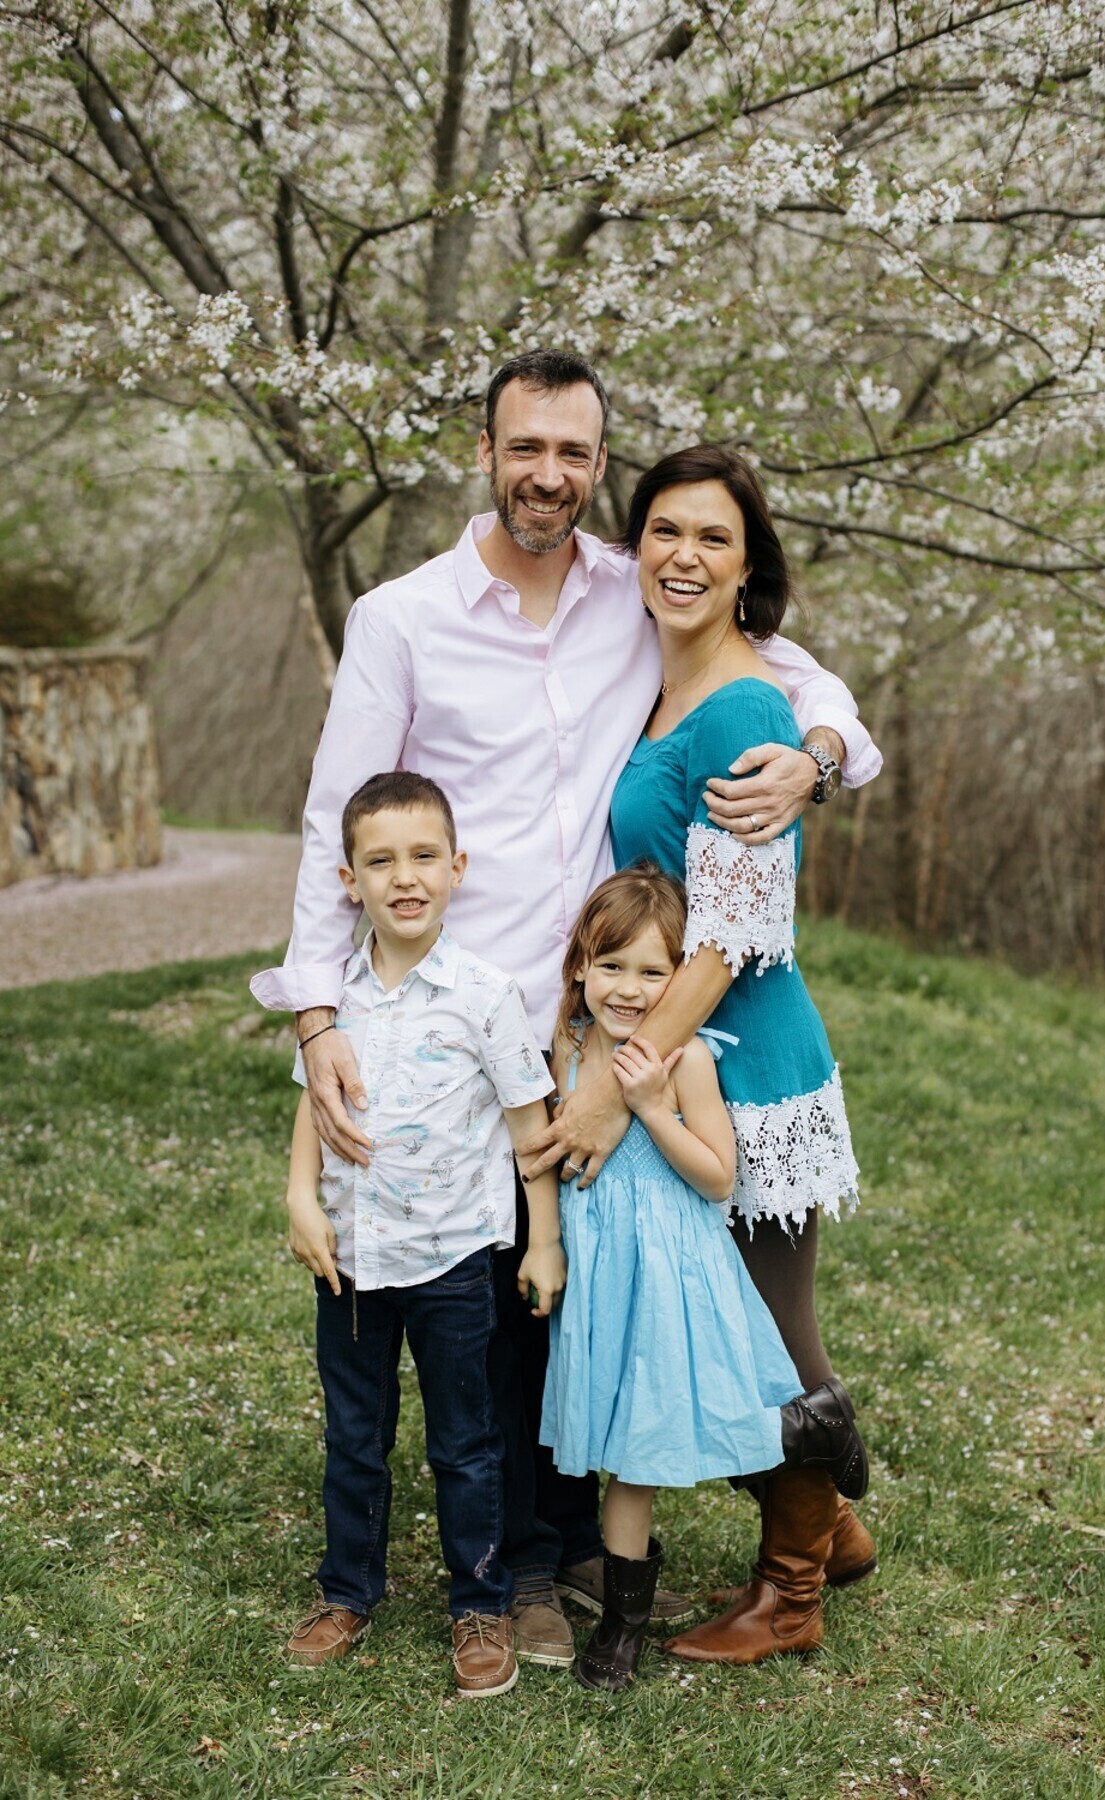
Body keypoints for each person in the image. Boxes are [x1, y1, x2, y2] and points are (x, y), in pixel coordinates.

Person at [252, 349, 882, 1663]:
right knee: (527, 1292)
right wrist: (318, 1018)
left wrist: (818, 758)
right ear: (485, 452)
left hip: (642, 1022)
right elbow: (334, 820)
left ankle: (740, 1545)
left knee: (675, 1296)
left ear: (599, 464)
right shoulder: (405, 619)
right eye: (526, 447)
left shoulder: (632, 589)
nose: (549, 474)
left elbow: (795, 681)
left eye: (575, 453)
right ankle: (552, 1553)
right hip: (487, 1022)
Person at [545, 443, 878, 1666]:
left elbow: (733, 934)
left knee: (767, 1334)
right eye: (665, 533)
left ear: (749, 569)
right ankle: (828, 1527)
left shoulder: (741, 707)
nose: (685, 557)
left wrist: (613, 1080)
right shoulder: (663, 683)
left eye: (715, 539)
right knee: (710, 1321)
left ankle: (791, 1596)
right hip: (680, 1048)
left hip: (743, 1062)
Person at [282, 770, 566, 1698]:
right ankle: (346, 1591)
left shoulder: (486, 994)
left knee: (466, 1441)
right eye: (381, 861)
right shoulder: (332, 998)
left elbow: (529, 1130)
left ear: (457, 868)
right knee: (355, 1437)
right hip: (352, 1260)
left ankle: (479, 1605)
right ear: (349, 880)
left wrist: (544, 1241)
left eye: (423, 856)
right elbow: (314, 1102)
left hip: (452, 1261)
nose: (404, 877)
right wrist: (300, 1196)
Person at [540, 865, 804, 1691]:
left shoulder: (686, 1059)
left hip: (665, 1278)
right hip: (598, 1278)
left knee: (640, 1453)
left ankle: (622, 1625)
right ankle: (620, 1606)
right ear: (580, 965)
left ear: (682, 977)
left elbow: (720, 1177)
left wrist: (653, 1108)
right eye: (611, 965)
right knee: (615, 1439)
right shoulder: (568, 1044)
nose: (629, 988)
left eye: (654, 971)